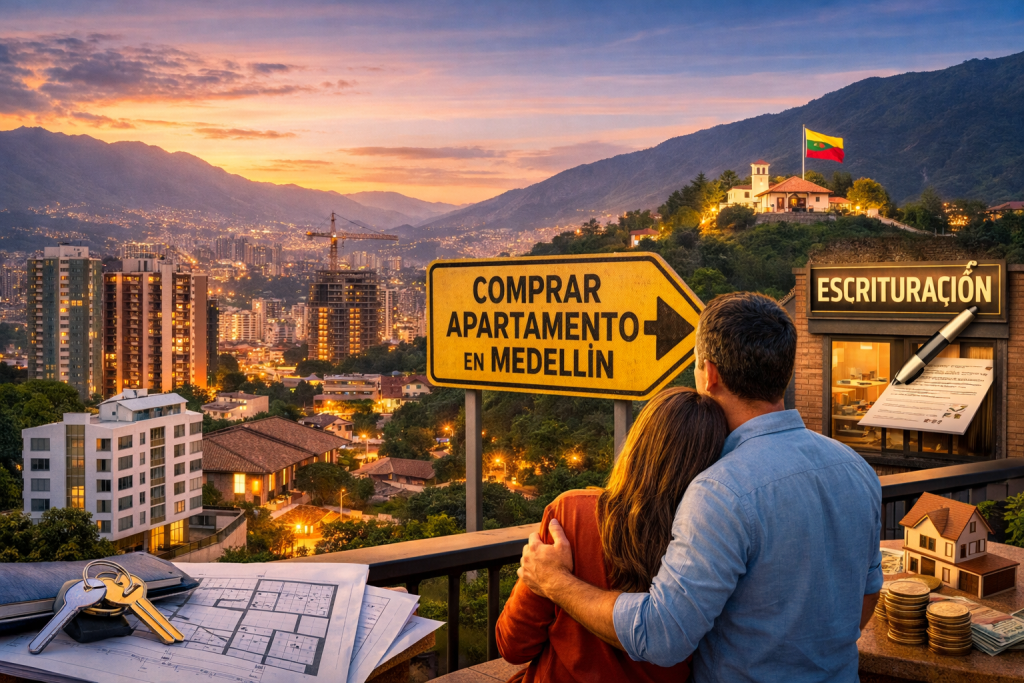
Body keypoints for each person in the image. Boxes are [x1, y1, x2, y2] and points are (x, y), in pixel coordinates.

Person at [518, 292, 883, 683]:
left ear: (709, 374)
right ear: (784, 373)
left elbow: (662, 636)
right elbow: (867, 596)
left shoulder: (721, 491)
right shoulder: (855, 468)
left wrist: (556, 583)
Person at [497, 388, 728, 682]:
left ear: (636, 445)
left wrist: (550, 580)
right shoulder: (711, 537)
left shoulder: (573, 514)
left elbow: (512, 644)